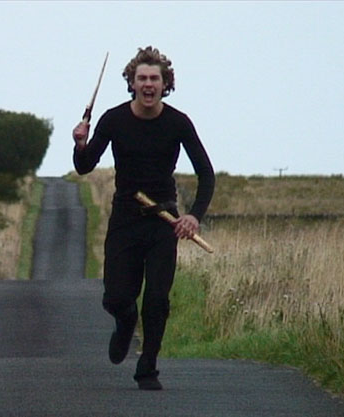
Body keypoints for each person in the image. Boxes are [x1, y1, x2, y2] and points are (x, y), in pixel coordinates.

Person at [72, 46, 215, 390]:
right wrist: (80, 144)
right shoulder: (113, 119)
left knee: (157, 300)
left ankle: (147, 368)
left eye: (155, 78)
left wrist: (193, 217)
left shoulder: (178, 123)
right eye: (142, 78)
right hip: (126, 218)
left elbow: (206, 175)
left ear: (165, 84)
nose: (148, 84)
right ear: (132, 83)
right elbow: (84, 166)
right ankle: (125, 324)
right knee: (116, 298)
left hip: (164, 221)